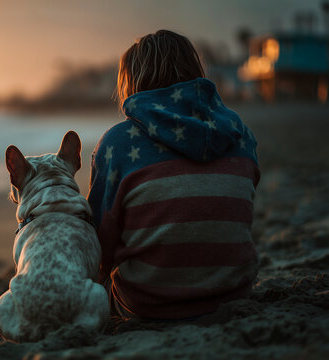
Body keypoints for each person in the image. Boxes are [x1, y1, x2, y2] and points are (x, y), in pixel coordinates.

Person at [87, 30, 260, 320]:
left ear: (133, 81)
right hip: (234, 294)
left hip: (145, 302)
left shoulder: (118, 143)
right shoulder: (240, 134)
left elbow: (99, 243)